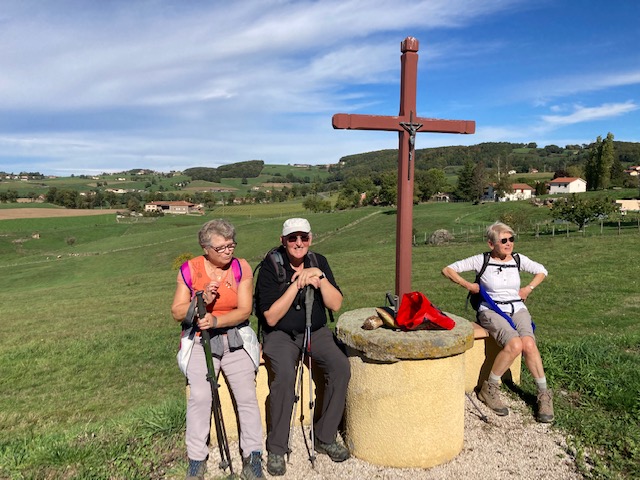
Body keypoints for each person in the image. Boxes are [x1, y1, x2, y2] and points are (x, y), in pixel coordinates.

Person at [255, 218, 351, 476]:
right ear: (283, 240)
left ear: (311, 238)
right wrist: (295, 285)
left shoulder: (319, 262)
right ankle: (277, 447)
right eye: (292, 238)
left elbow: (336, 304)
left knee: (340, 366)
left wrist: (318, 278)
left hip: (315, 331)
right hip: (280, 335)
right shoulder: (270, 266)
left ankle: (325, 436)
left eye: (304, 238)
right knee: (284, 376)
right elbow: (271, 317)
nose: (299, 243)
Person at [171, 219, 264, 480]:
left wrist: (216, 320)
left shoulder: (240, 267)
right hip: (201, 340)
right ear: (205, 248)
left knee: (246, 394)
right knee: (200, 396)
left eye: (231, 245)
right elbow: (177, 312)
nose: (228, 251)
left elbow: (244, 310)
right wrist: (200, 299)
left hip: (234, 337)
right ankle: (197, 459)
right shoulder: (189, 270)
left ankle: (253, 455)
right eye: (221, 247)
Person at [441, 221, 554, 423]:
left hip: (517, 308)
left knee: (528, 343)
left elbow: (542, 271)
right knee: (515, 344)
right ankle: (489, 388)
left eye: (511, 239)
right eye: (504, 240)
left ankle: (543, 394)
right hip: (491, 309)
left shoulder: (518, 259)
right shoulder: (482, 260)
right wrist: (468, 285)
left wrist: (528, 289)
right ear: (491, 244)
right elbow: (448, 269)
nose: (509, 243)